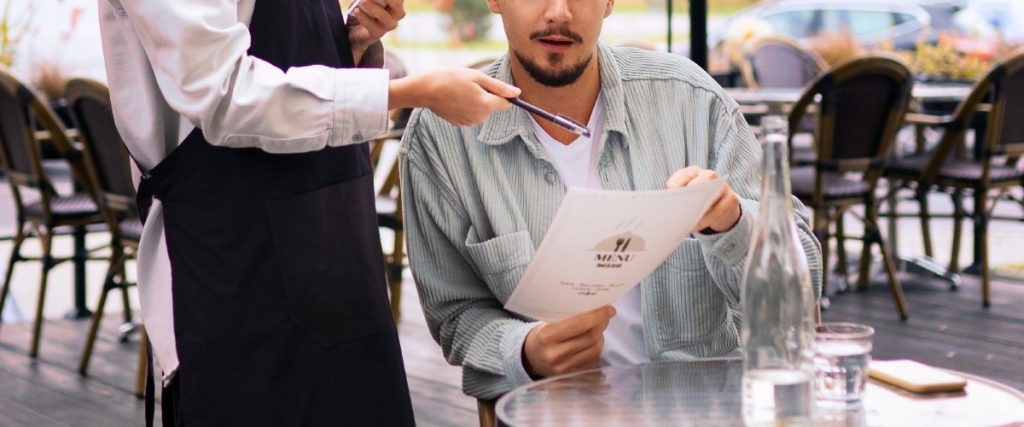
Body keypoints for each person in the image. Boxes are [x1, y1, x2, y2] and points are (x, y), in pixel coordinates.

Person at [98, 0, 519, 424]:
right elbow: (221, 94)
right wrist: (408, 93)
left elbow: (279, 57)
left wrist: (349, 41)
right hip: (235, 266)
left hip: (337, 254)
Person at [399, 0, 823, 400]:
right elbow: (454, 315)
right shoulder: (442, 135)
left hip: (708, 407)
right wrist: (525, 351)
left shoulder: (691, 98)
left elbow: (804, 286)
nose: (559, 12)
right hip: (552, 412)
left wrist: (733, 222)